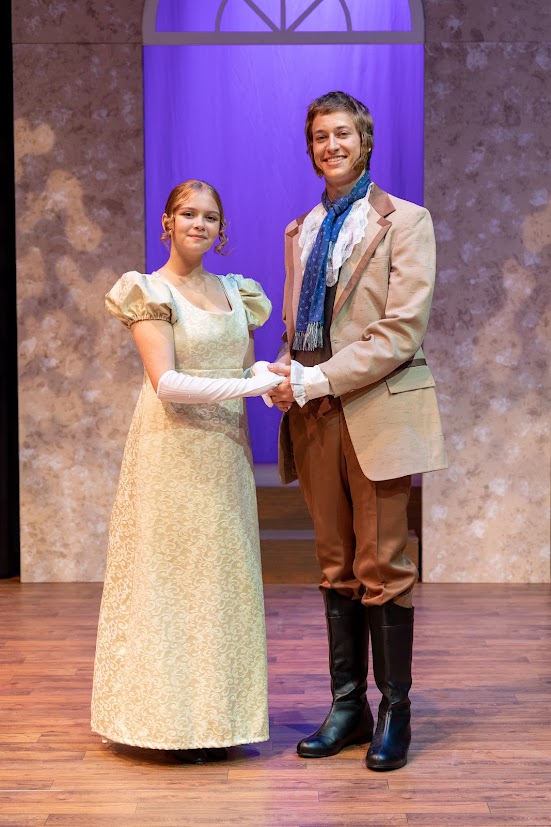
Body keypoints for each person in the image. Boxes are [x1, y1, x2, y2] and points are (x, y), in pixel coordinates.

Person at [268, 91, 447, 771]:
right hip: (314, 414)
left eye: (342, 133)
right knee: (336, 565)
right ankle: (348, 706)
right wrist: (286, 369)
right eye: (320, 136)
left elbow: (400, 331)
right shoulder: (300, 230)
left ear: (365, 142)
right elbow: (303, 327)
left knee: (383, 566)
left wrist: (316, 377)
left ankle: (395, 709)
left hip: (376, 407)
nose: (331, 145)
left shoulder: (406, 220)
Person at [91, 179, 282, 763]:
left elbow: (243, 367)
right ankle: (167, 724)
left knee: (221, 581)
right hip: (170, 450)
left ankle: (219, 721)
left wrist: (275, 379)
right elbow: (168, 383)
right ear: (167, 223)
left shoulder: (237, 293)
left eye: (210, 217)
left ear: (221, 230)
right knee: (171, 580)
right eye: (188, 213)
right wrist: (251, 387)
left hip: (224, 451)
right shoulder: (148, 291)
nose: (199, 224)